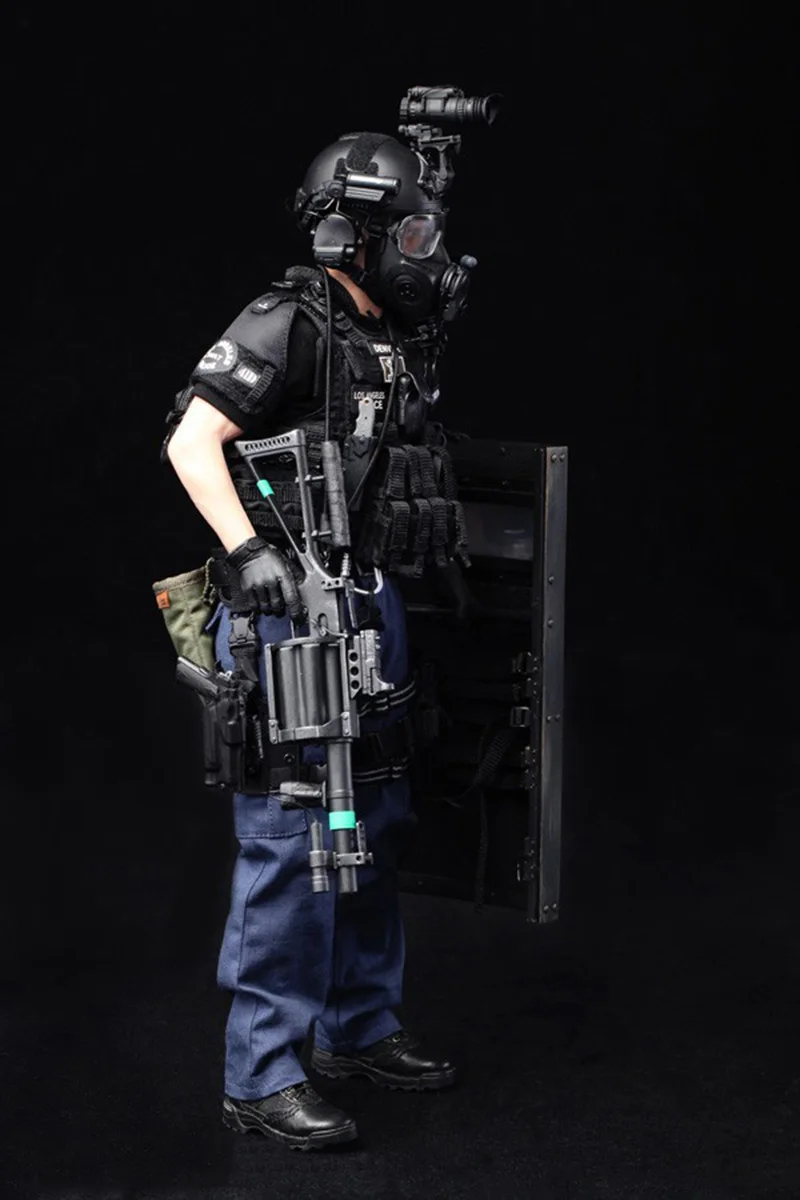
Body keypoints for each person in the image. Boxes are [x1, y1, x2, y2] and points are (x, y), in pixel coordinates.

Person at [162, 126, 479, 1151]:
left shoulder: (387, 333)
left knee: (376, 821)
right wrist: (248, 550)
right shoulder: (286, 321)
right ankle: (260, 1073)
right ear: (355, 236)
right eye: (414, 236)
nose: (428, 256)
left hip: (367, 599)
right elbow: (192, 439)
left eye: (429, 234)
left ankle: (358, 1026)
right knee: (295, 837)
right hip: (291, 611)